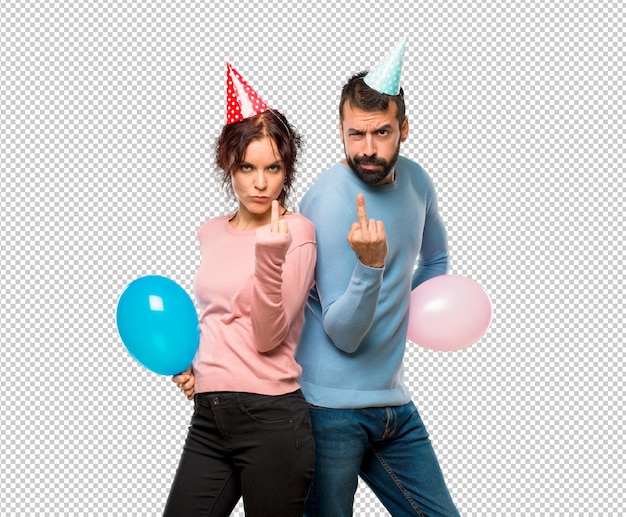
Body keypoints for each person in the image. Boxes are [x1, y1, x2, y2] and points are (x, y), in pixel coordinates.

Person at [295, 38, 461, 516]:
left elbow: (434, 262)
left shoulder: (418, 182)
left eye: (381, 133)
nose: (367, 150)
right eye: (355, 135)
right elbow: (342, 334)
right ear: (342, 131)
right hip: (329, 410)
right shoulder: (327, 200)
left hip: (394, 405)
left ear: (404, 129)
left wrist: (402, 313)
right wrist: (371, 266)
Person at [163, 63, 316, 517]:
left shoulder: (297, 233)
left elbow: (269, 336)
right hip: (209, 419)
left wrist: (270, 254)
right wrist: (193, 364)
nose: (261, 183)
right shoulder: (211, 231)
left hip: (272, 421)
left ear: (286, 169)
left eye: (273, 168)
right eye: (247, 167)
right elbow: (214, 314)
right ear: (229, 163)